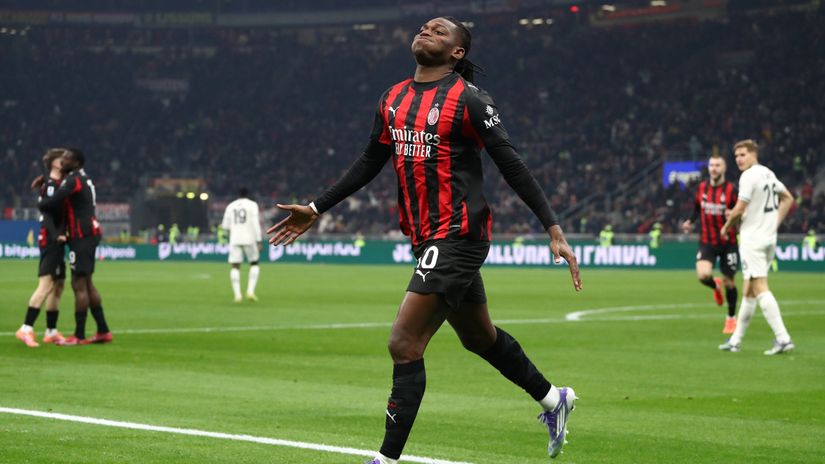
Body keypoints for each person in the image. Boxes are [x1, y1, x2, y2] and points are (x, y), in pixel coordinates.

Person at [268, 17, 582, 463]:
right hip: (425, 237)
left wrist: (552, 226)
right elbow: (369, 160)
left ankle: (387, 459)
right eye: (423, 27)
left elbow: (512, 164)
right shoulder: (392, 98)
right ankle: (555, 399)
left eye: (439, 30)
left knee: (404, 342)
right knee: (479, 338)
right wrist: (317, 208)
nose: (426, 31)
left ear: (457, 52)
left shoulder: (470, 101)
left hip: (458, 234)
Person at [719, 140, 795, 355]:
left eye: (743, 155)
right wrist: (774, 223)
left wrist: (726, 226)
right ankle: (736, 341)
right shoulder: (768, 173)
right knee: (749, 290)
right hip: (769, 238)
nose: (739, 160)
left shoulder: (748, 176)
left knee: (760, 286)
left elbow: (739, 208)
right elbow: (788, 198)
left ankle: (783, 338)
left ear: (753, 154)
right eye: (736, 156)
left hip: (753, 240)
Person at [38, 148, 112, 346]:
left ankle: (78, 336)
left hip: (81, 235)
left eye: (68, 157)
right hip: (89, 233)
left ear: (76, 161)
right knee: (86, 283)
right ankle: (103, 330)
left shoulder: (72, 179)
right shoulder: (83, 177)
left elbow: (54, 201)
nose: (64, 159)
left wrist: (41, 199)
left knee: (78, 284)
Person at [681, 154, 740, 334]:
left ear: (724, 169)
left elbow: (742, 211)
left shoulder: (731, 190)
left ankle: (730, 319)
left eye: (717, 165)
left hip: (728, 242)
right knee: (702, 275)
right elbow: (697, 208)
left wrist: (735, 215)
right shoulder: (702, 188)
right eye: (711, 165)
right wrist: (690, 221)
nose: (714, 168)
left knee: (730, 282)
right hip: (707, 241)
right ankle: (715, 285)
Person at [15, 148, 68, 347]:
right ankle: (26, 328)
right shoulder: (52, 186)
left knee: (58, 285)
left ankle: (51, 331)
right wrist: (56, 235)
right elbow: (47, 214)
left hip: (58, 240)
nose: (66, 162)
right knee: (46, 285)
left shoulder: (56, 184)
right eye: (62, 160)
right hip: (51, 240)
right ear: (54, 163)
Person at [221, 187, 263, 302]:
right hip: (250, 239)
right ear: (248, 194)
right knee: (254, 263)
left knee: (235, 266)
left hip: (235, 239)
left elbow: (225, 226)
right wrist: (259, 240)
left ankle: (237, 295)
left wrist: (233, 231)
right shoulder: (252, 205)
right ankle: (250, 291)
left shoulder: (231, 206)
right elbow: (255, 223)